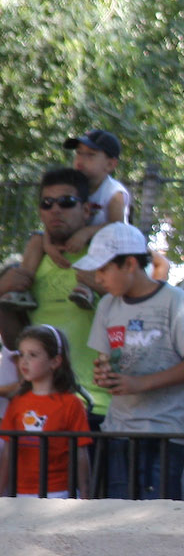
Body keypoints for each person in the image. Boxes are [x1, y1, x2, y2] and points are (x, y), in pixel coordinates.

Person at [78, 222, 184, 499]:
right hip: (118, 431)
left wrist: (141, 383)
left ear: (129, 264)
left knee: (159, 520)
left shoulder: (174, 300)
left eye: (103, 269)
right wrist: (103, 373)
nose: (98, 278)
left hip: (165, 433)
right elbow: (105, 359)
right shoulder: (107, 305)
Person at [0, 169, 112, 429]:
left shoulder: (106, 258)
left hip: (97, 405)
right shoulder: (32, 262)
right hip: (40, 408)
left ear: (86, 210)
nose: (56, 210)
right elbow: (16, 341)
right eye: (47, 203)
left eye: (67, 202)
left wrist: (100, 286)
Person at [0, 131, 129, 314]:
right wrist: (47, 243)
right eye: (79, 153)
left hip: (102, 242)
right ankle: (23, 286)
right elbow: (54, 218)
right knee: (36, 239)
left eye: (90, 155)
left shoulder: (114, 192)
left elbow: (117, 227)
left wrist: (86, 233)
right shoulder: (73, 185)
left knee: (104, 244)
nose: (81, 160)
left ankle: (87, 289)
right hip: (72, 238)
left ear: (110, 164)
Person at [0, 325, 92, 498]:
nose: (24, 361)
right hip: (22, 493)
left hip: (59, 493)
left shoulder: (71, 403)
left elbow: (81, 452)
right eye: (21, 354)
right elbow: (7, 451)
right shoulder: (18, 403)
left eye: (33, 355)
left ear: (55, 361)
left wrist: (86, 494)